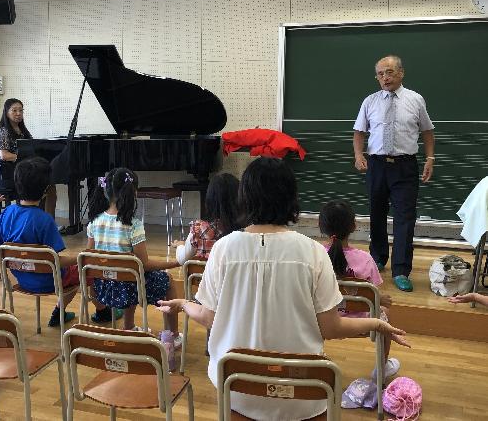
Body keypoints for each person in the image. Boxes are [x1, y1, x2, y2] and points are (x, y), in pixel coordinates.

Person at [158, 157, 410, 420]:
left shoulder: (224, 248)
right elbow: (331, 328)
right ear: (291, 198)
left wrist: (184, 304)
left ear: (244, 198)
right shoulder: (313, 251)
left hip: (236, 386)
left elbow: (209, 316)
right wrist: (376, 324)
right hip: (303, 392)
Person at [0, 157, 115, 327]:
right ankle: (100, 311)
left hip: (21, 279)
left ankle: (64, 311)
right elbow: (56, 260)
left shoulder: (6, 213)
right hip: (49, 282)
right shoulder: (44, 220)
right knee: (86, 269)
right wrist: (81, 257)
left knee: (72, 272)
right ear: (47, 190)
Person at [353, 55, 435, 292]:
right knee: (376, 213)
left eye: (389, 72)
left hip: (405, 166)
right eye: (380, 73)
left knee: (405, 218)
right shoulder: (370, 101)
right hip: (377, 165)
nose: (385, 77)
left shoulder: (415, 100)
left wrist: (430, 158)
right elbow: (359, 132)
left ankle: (401, 270)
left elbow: (427, 132)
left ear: (401, 73)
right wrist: (359, 155)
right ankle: (378, 258)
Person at [87, 167, 181, 339]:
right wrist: (175, 262)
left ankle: (129, 326)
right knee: (167, 281)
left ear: (107, 191)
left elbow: (90, 256)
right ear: (133, 192)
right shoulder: (133, 225)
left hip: (104, 287)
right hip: (130, 288)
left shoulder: (94, 222)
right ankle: (173, 335)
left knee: (127, 273)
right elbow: (144, 264)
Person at [319, 199, 400, 380]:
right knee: (385, 311)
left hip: (321, 321)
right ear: (354, 226)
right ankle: (382, 367)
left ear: (321, 226)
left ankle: (314, 359)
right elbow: (373, 294)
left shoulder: (314, 255)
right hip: (361, 324)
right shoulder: (365, 259)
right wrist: (380, 299)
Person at [0, 98, 57, 218]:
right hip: (9, 174)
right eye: (14, 110)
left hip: (21, 171)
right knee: (44, 185)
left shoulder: (22, 130)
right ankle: (37, 219)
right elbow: (4, 155)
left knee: (49, 185)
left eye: (21, 111)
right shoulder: (4, 131)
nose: (18, 113)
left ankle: (47, 220)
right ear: (6, 112)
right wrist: (23, 158)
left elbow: (32, 149)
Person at [173, 172, 240, 265]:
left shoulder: (199, 229)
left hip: (204, 279)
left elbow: (182, 259)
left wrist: (180, 245)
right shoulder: (246, 230)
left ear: (209, 199)